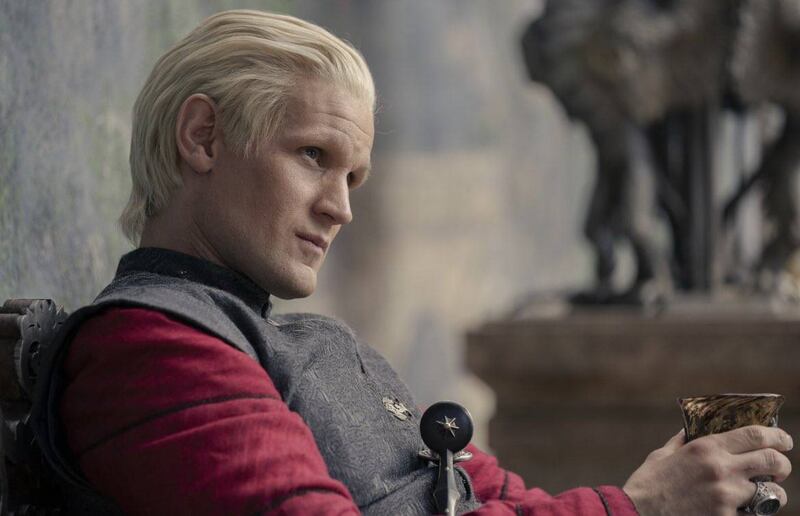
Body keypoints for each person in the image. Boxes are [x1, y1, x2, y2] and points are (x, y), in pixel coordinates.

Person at [31, 9, 792, 516]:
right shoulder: (150, 347)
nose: (341, 208)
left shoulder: (317, 345)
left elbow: (503, 497)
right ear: (202, 138)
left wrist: (661, 491)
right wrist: (639, 506)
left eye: (353, 177)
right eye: (313, 156)